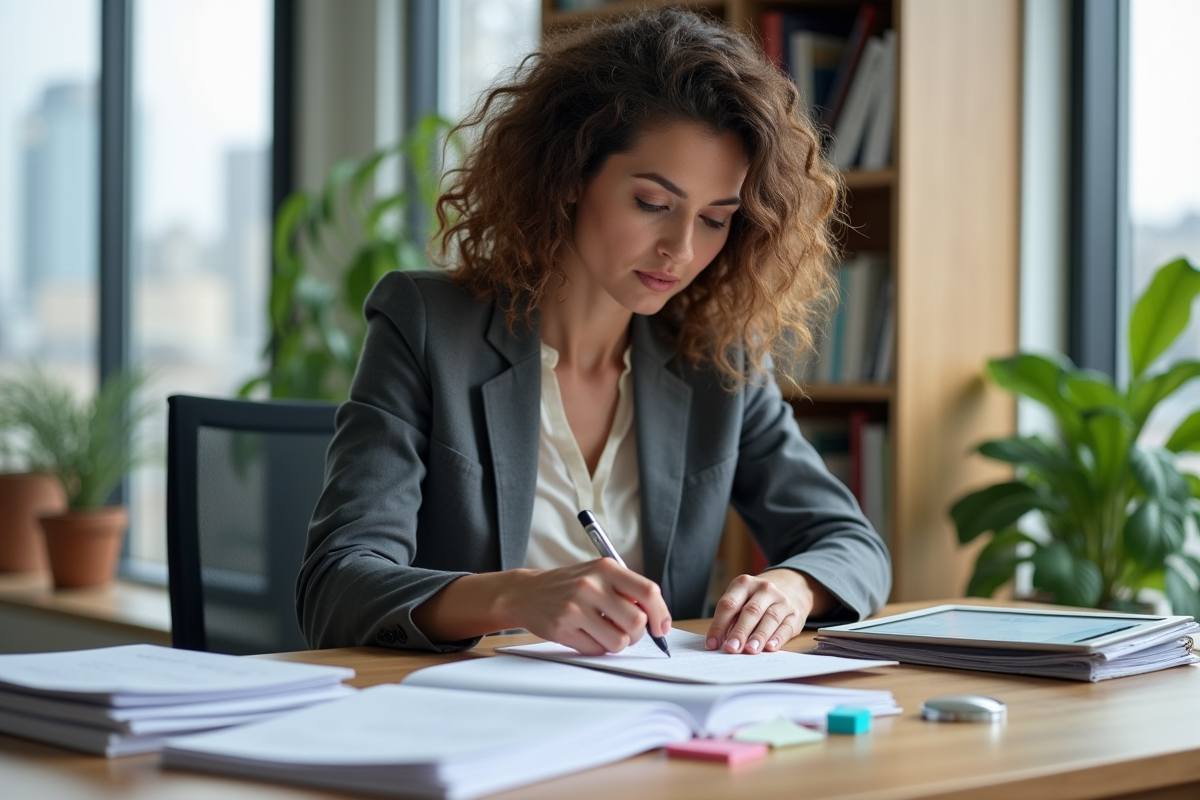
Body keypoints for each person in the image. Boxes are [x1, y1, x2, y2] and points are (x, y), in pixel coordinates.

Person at [296, 8, 890, 657]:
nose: (681, 249)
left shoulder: (717, 361)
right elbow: (336, 585)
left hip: (648, 725)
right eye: (653, 204)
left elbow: (852, 545)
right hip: (462, 723)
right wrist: (515, 595)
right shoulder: (430, 327)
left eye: (716, 219)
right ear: (572, 174)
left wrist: (792, 589)